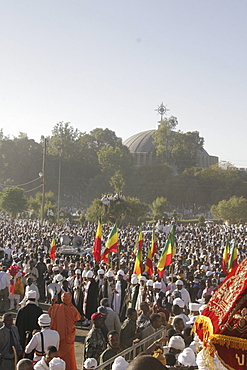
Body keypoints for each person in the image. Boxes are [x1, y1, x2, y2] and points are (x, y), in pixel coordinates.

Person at [48, 292, 81, 370]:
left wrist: (53, 303)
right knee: (69, 355)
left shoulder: (55, 308)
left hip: (57, 336)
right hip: (68, 336)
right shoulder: (72, 309)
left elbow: (49, 313)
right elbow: (78, 317)